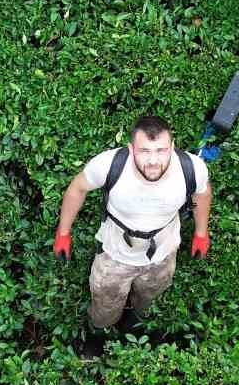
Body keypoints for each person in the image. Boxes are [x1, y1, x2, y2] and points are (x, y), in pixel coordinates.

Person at [52, 115, 212, 330]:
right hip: (115, 253)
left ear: (172, 147)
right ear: (131, 149)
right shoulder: (109, 165)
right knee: (105, 305)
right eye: (145, 151)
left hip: (163, 252)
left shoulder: (192, 168)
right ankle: (101, 331)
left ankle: (136, 322)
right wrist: (63, 232)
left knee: (150, 299)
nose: (153, 161)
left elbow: (202, 195)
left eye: (161, 151)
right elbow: (77, 188)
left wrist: (201, 234)